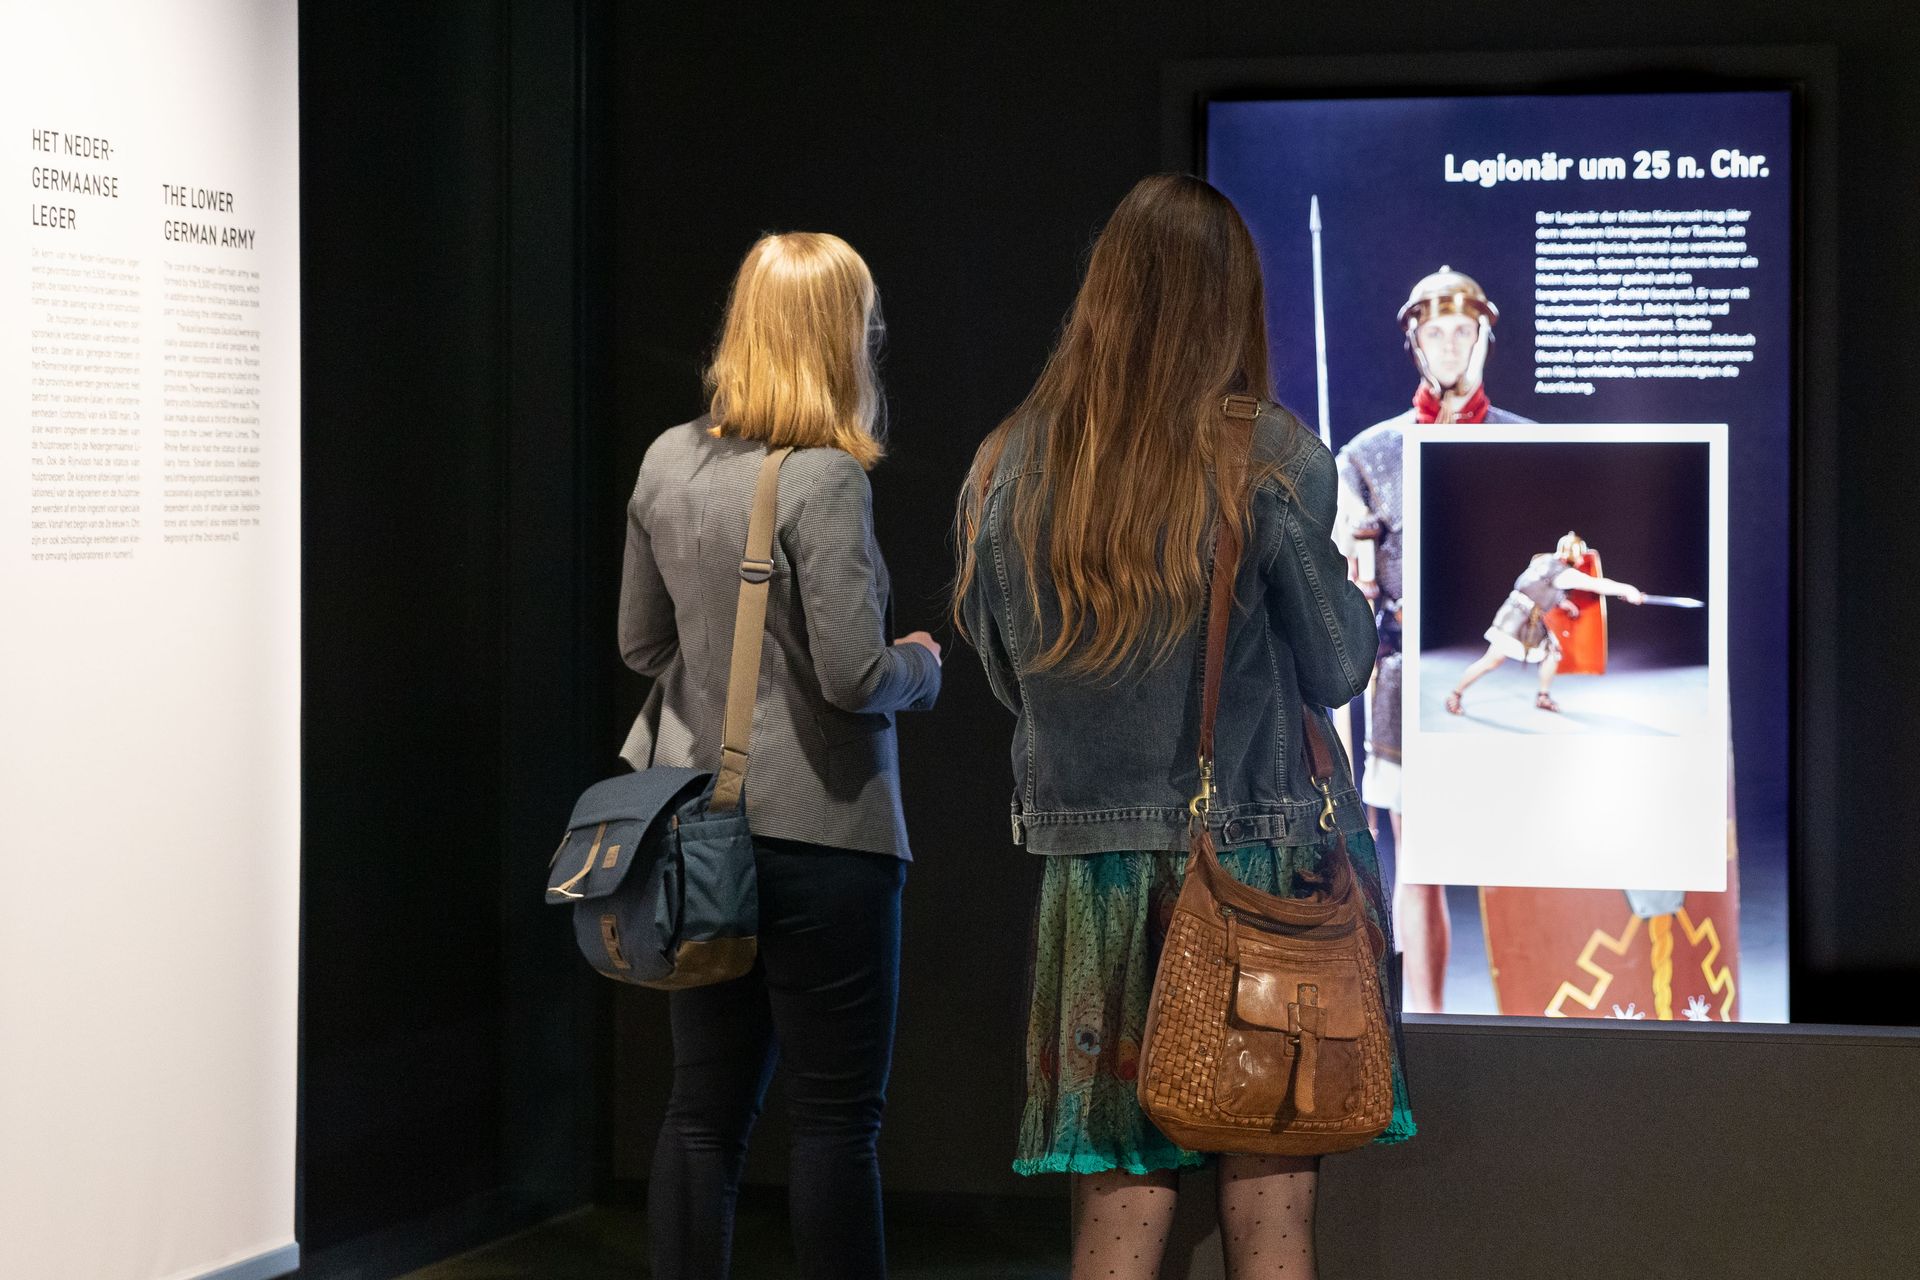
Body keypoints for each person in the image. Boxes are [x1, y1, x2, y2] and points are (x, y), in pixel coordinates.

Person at [954, 174, 1414, 1280]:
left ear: (1104, 294)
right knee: (1269, 1213)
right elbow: (1346, 666)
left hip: (1094, 890)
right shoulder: (1271, 456)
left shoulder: (1010, 461)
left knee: (1117, 1211)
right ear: (1234, 302)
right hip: (1258, 871)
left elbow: (1005, 673)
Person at [620, 231, 943, 1280]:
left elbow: (639, 644)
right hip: (828, 841)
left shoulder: (668, 460)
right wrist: (923, 664)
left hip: (701, 834)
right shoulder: (826, 480)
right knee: (835, 1123)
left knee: (702, 1115)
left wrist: (721, 677)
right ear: (842, 337)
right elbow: (855, 676)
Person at [1334, 265, 1532, 1013]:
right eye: (1435, 331)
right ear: (1415, 342)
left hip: (1501, 677)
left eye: (1462, 330)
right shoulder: (1367, 456)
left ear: (1484, 337)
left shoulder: (1529, 445)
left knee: (1522, 855)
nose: (1450, 345)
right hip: (1411, 682)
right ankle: (1431, 1024)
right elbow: (1353, 593)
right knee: (1421, 861)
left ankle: (1542, 1023)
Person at [1444, 531, 1646, 715]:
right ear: (1576, 556)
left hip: (1522, 614)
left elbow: (1537, 586)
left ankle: (1543, 696)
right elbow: (1596, 584)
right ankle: (1455, 694)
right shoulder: (1564, 573)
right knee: (1492, 660)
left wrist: (1561, 601)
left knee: (1552, 653)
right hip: (1517, 619)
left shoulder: (1544, 560)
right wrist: (1629, 590)